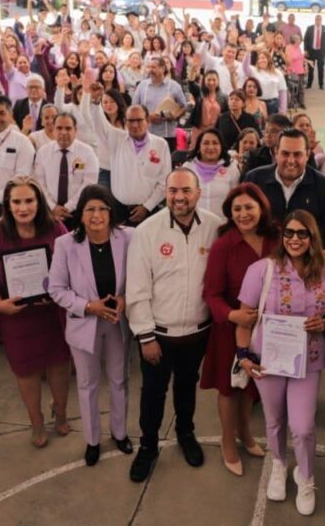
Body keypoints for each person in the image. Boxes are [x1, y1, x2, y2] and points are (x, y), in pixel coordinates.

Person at [235, 210, 325, 514]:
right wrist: (242, 355)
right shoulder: (262, 270)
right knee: (274, 419)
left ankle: (305, 476)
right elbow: (244, 317)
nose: (295, 239)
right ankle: (279, 463)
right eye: (289, 233)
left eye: (302, 233)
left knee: (304, 426)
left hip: (309, 359)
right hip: (269, 359)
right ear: (282, 237)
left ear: (313, 237)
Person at [125, 169, 224, 482]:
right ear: (165, 192)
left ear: (198, 193)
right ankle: (149, 446)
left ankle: (186, 433)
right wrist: (144, 336)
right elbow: (137, 288)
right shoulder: (146, 231)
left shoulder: (214, 227)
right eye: (172, 191)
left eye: (186, 191)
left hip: (197, 333)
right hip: (159, 335)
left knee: (186, 388)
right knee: (153, 393)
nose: (179, 197)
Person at [0, 176, 71, 448]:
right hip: (16, 317)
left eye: (29, 200)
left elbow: (73, 267)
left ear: (39, 202)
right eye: (16, 201)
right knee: (26, 372)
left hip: (53, 314)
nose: (23, 207)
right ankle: (37, 421)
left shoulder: (56, 228)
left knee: (59, 366)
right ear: (7, 204)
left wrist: (59, 293)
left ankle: (61, 413)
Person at [48, 184, 135, 466]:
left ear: (111, 212)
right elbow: (57, 289)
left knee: (119, 380)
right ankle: (93, 440)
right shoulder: (66, 244)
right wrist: (88, 306)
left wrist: (124, 298)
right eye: (90, 209)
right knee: (87, 384)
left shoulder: (129, 237)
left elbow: (140, 277)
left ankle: (119, 433)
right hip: (84, 324)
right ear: (81, 215)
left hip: (117, 322)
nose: (97, 215)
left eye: (102, 208)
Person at [201, 184, 277, 475]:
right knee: (229, 386)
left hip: (267, 329)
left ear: (262, 207)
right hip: (231, 327)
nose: (243, 214)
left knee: (251, 385)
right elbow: (210, 293)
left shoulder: (277, 237)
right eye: (237, 209)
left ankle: (246, 434)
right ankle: (227, 440)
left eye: (249, 207)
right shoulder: (224, 245)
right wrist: (233, 315)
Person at [82, 78, 171, 227]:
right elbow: (99, 125)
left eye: (139, 120)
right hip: (118, 209)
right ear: (125, 122)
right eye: (131, 121)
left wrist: (147, 206)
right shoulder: (117, 138)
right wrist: (96, 102)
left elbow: (164, 182)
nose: (135, 125)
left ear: (147, 121)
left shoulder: (160, 144)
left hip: (150, 210)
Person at [242, 128, 325, 242]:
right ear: (276, 152)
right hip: (263, 254)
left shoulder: (323, 186)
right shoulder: (254, 180)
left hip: (306, 256)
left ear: (307, 155)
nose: (291, 160)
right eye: (285, 154)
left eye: (297, 154)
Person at [33, 112, 99, 227]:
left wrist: (68, 207)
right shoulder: (43, 152)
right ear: (53, 130)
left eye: (68, 128)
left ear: (75, 130)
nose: (63, 132)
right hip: (49, 212)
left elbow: (89, 184)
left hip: (78, 212)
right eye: (59, 128)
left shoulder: (87, 152)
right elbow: (39, 182)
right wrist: (53, 207)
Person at [181, 128, 240, 218]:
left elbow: (236, 199)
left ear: (221, 146)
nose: (211, 147)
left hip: (222, 224)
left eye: (215, 143)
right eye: (206, 143)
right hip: (194, 224)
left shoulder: (231, 168)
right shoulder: (188, 167)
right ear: (199, 146)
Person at [133, 57, 187, 152]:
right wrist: (149, 116)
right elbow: (134, 108)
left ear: (162, 68)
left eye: (154, 67)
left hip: (167, 135)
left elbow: (183, 106)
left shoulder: (174, 86)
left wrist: (174, 116)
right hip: (146, 134)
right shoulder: (142, 86)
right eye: (149, 67)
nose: (151, 70)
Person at [304, 15, 325, 91]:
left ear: (321, 20)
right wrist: (305, 50)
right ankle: (309, 84)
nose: (318, 21)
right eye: (316, 19)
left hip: (321, 52)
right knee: (310, 69)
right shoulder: (310, 28)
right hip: (311, 51)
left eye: (319, 19)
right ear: (315, 20)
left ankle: (321, 84)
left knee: (321, 68)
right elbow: (305, 40)